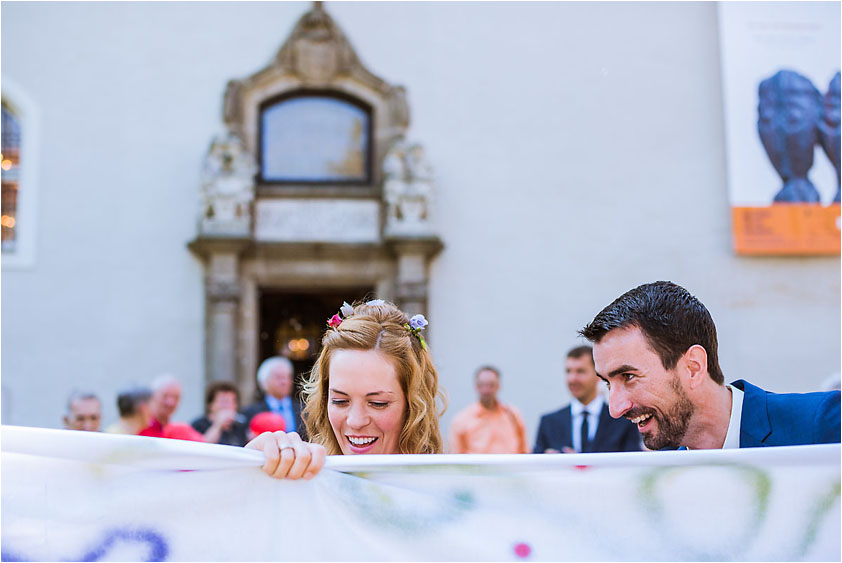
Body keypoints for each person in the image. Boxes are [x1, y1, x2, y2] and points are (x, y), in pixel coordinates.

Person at [579, 281, 841, 450]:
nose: (615, 408)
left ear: (693, 367)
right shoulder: (656, 477)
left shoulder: (824, 422)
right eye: (607, 383)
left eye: (628, 376)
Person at [246, 299, 446, 479]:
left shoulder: (449, 492)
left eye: (378, 403)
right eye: (340, 401)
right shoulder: (305, 484)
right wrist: (249, 468)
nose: (356, 421)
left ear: (413, 404)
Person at [533, 346, 642, 453]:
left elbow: (634, 467)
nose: (572, 379)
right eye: (568, 371)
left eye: (580, 371)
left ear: (599, 375)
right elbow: (534, 467)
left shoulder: (624, 422)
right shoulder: (549, 423)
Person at [448, 366, 528, 454]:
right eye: (482, 385)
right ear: (476, 387)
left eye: (491, 385)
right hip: (477, 467)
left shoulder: (513, 414)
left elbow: (524, 450)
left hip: (510, 467)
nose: (486, 390)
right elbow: (456, 457)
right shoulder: (461, 420)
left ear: (498, 386)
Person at [241, 356, 306, 440]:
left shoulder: (304, 410)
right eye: (279, 377)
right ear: (264, 383)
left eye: (287, 377)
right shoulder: (251, 413)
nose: (284, 382)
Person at [139, 374, 205, 442]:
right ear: (152, 396)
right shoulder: (139, 427)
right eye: (165, 396)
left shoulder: (181, 431)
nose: (171, 403)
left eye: (176, 398)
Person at [192, 381, 249, 446]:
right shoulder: (198, 425)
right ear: (211, 405)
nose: (226, 406)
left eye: (230, 402)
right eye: (223, 402)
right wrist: (218, 425)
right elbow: (200, 446)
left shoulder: (241, 426)